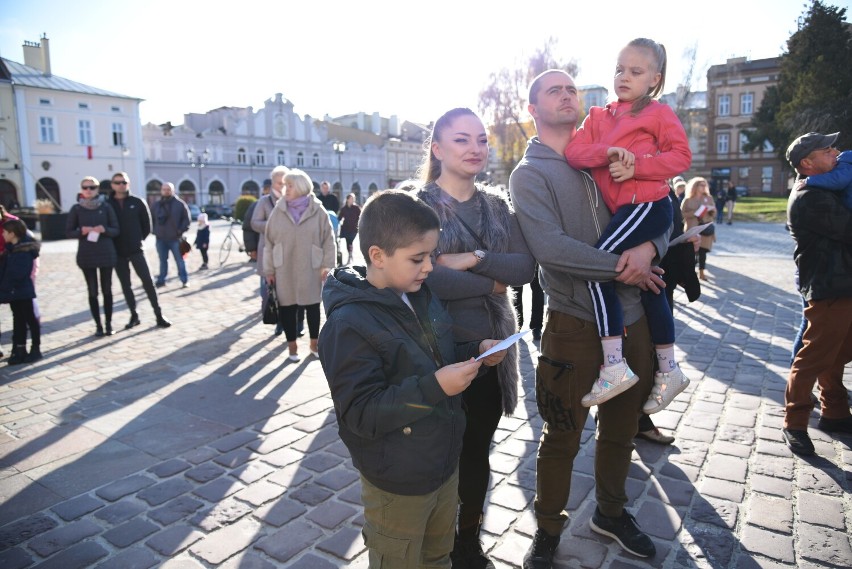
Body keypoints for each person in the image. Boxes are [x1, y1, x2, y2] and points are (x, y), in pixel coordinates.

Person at [510, 69, 666, 565]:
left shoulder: (607, 150)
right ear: (533, 109)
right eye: (553, 89)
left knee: (622, 428)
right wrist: (628, 268)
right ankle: (549, 529)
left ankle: (611, 512)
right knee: (562, 434)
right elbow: (551, 250)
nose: (567, 94)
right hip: (574, 324)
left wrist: (650, 248)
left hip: (633, 318)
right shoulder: (529, 173)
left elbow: (661, 204)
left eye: (571, 88)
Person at [318, 189, 505, 569]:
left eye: (431, 257)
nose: (429, 267)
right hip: (397, 481)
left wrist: (477, 351)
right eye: (417, 258)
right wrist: (437, 387)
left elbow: (438, 350)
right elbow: (361, 413)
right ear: (378, 256)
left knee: (438, 556)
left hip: (442, 464)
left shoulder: (416, 293)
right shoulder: (348, 324)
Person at [414, 107, 536, 569]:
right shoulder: (416, 206)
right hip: (432, 346)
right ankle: (431, 536)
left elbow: (524, 268)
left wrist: (471, 258)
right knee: (435, 449)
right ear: (438, 149)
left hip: (490, 350)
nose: (475, 149)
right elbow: (427, 279)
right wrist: (490, 280)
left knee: (477, 450)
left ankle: (468, 540)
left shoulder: (497, 206)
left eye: (481, 140)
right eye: (462, 140)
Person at [564, 37, 691, 413]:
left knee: (597, 267)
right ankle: (669, 371)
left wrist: (637, 163)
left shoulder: (659, 113)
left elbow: (681, 156)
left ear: (655, 79)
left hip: (647, 205)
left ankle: (614, 366)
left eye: (636, 71)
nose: (624, 76)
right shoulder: (598, 116)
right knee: (650, 284)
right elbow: (574, 153)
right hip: (628, 212)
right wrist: (608, 153)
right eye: (620, 68)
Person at [782, 131, 852, 456]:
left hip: (842, 283)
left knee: (836, 353)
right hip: (828, 286)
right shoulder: (810, 196)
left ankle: (835, 412)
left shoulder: (823, 188)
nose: (836, 151)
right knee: (813, 357)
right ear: (808, 163)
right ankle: (794, 423)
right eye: (827, 150)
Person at [637, 182, 702, 445]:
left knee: (650, 352)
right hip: (642, 283)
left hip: (663, 281)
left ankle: (634, 418)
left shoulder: (665, 184)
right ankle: (631, 420)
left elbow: (670, 230)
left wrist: (687, 242)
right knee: (640, 355)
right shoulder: (641, 181)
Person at [262, 168, 336, 361]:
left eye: (290, 185)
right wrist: (269, 269)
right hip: (283, 267)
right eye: (285, 185)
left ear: (302, 186)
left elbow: (329, 239)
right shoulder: (279, 210)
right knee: (287, 307)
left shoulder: (318, 210)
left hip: (311, 267)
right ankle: (292, 346)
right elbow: (269, 242)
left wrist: (327, 265)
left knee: (312, 306)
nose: (286, 189)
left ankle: (314, 343)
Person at [107, 172, 171, 330]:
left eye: (124, 182)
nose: (121, 185)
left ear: (128, 184)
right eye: (118, 182)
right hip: (118, 252)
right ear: (112, 185)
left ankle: (158, 314)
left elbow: (147, 226)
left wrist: (137, 239)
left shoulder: (137, 202)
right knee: (126, 285)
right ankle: (134, 315)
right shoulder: (108, 204)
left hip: (136, 249)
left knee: (148, 282)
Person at [66, 176, 120, 336]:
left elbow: (116, 229)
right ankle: (98, 325)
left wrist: (104, 230)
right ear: (81, 189)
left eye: (92, 187)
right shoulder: (76, 209)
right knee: (92, 291)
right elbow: (69, 232)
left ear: (97, 189)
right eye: (85, 187)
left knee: (107, 290)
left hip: (106, 253)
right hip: (87, 254)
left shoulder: (106, 206)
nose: (88, 190)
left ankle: (109, 324)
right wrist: (81, 232)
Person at [0, 219, 41, 364]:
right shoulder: (11, 249)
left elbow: (17, 273)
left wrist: (4, 287)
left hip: (22, 291)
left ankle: (36, 349)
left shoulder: (24, 250)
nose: (3, 235)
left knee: (30, 319)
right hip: (13, 292)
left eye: (5, 232)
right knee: (18, 320)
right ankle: (19, 349)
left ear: (12, 233)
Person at [152, 182, 191, 289]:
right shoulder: (156, 205)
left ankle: (184, 280)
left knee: (180, 260)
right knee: (162, 260)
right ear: (161, 191)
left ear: (173, 191)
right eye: (164, 189)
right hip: (160, 238)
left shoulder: (180, 204)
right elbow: (150, 220)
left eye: (168, 189)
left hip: (175, 238)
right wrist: (154, 231)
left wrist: (180, 230)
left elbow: (187, 220)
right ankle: (161, 280)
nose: (166, 191)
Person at [680, 177, 716, 281]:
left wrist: (711, 210)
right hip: (692, 228)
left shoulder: (708, 198)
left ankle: (702, 272)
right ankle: (690, 272)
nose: (704, 187)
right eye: (701, 185)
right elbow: (682, 214)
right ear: (695, 186)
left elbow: (714, 213)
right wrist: (695, 212)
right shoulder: (687, 199)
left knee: (703, 252)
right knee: (691, 252)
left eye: (705, 185)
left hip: (705, 228)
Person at [799, 141, 852, 210]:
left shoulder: (845, 163)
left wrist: (809, 180)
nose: (836, 152)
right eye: (827, 152)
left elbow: (837, 180)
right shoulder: (847, 162)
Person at [0, 205, 21, 357]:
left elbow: (25, 243)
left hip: (10, 267)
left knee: (18, 309)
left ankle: (18, 346)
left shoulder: (12, 222)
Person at [513, 264, 546, 341]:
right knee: (516, 291)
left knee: (538, 291)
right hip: (518, 258)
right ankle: (517, 325)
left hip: (536, 257)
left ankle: (537, 327)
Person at [242, 179, 271, 263]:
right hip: (261, 247)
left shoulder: (282, 204)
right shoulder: (257, 205)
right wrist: (252, 249)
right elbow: (248, 228)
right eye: (267, 188)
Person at [337, 193, 362, 265]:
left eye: (353, 199)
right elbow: (339, 218)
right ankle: (350, 254)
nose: (352, 200)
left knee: (350, 241)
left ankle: (350, 255)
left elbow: (361, 217)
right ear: (347, 200)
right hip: (345, 228)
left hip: (354, 228)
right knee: (348, 242)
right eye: (350, 199)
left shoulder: (356, 208)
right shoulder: (344, 209)